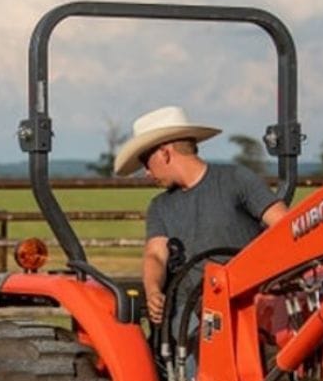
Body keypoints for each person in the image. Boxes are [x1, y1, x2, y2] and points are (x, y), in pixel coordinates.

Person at [113, 105, 288, 332]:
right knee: (199, 345)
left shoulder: (235, 180)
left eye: (146, 162)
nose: (147, 172)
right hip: (192, 312)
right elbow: (155, 255)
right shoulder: (160, 207)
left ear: (164, 153)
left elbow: (285, 225)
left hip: (249, 300)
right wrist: (154, 289)